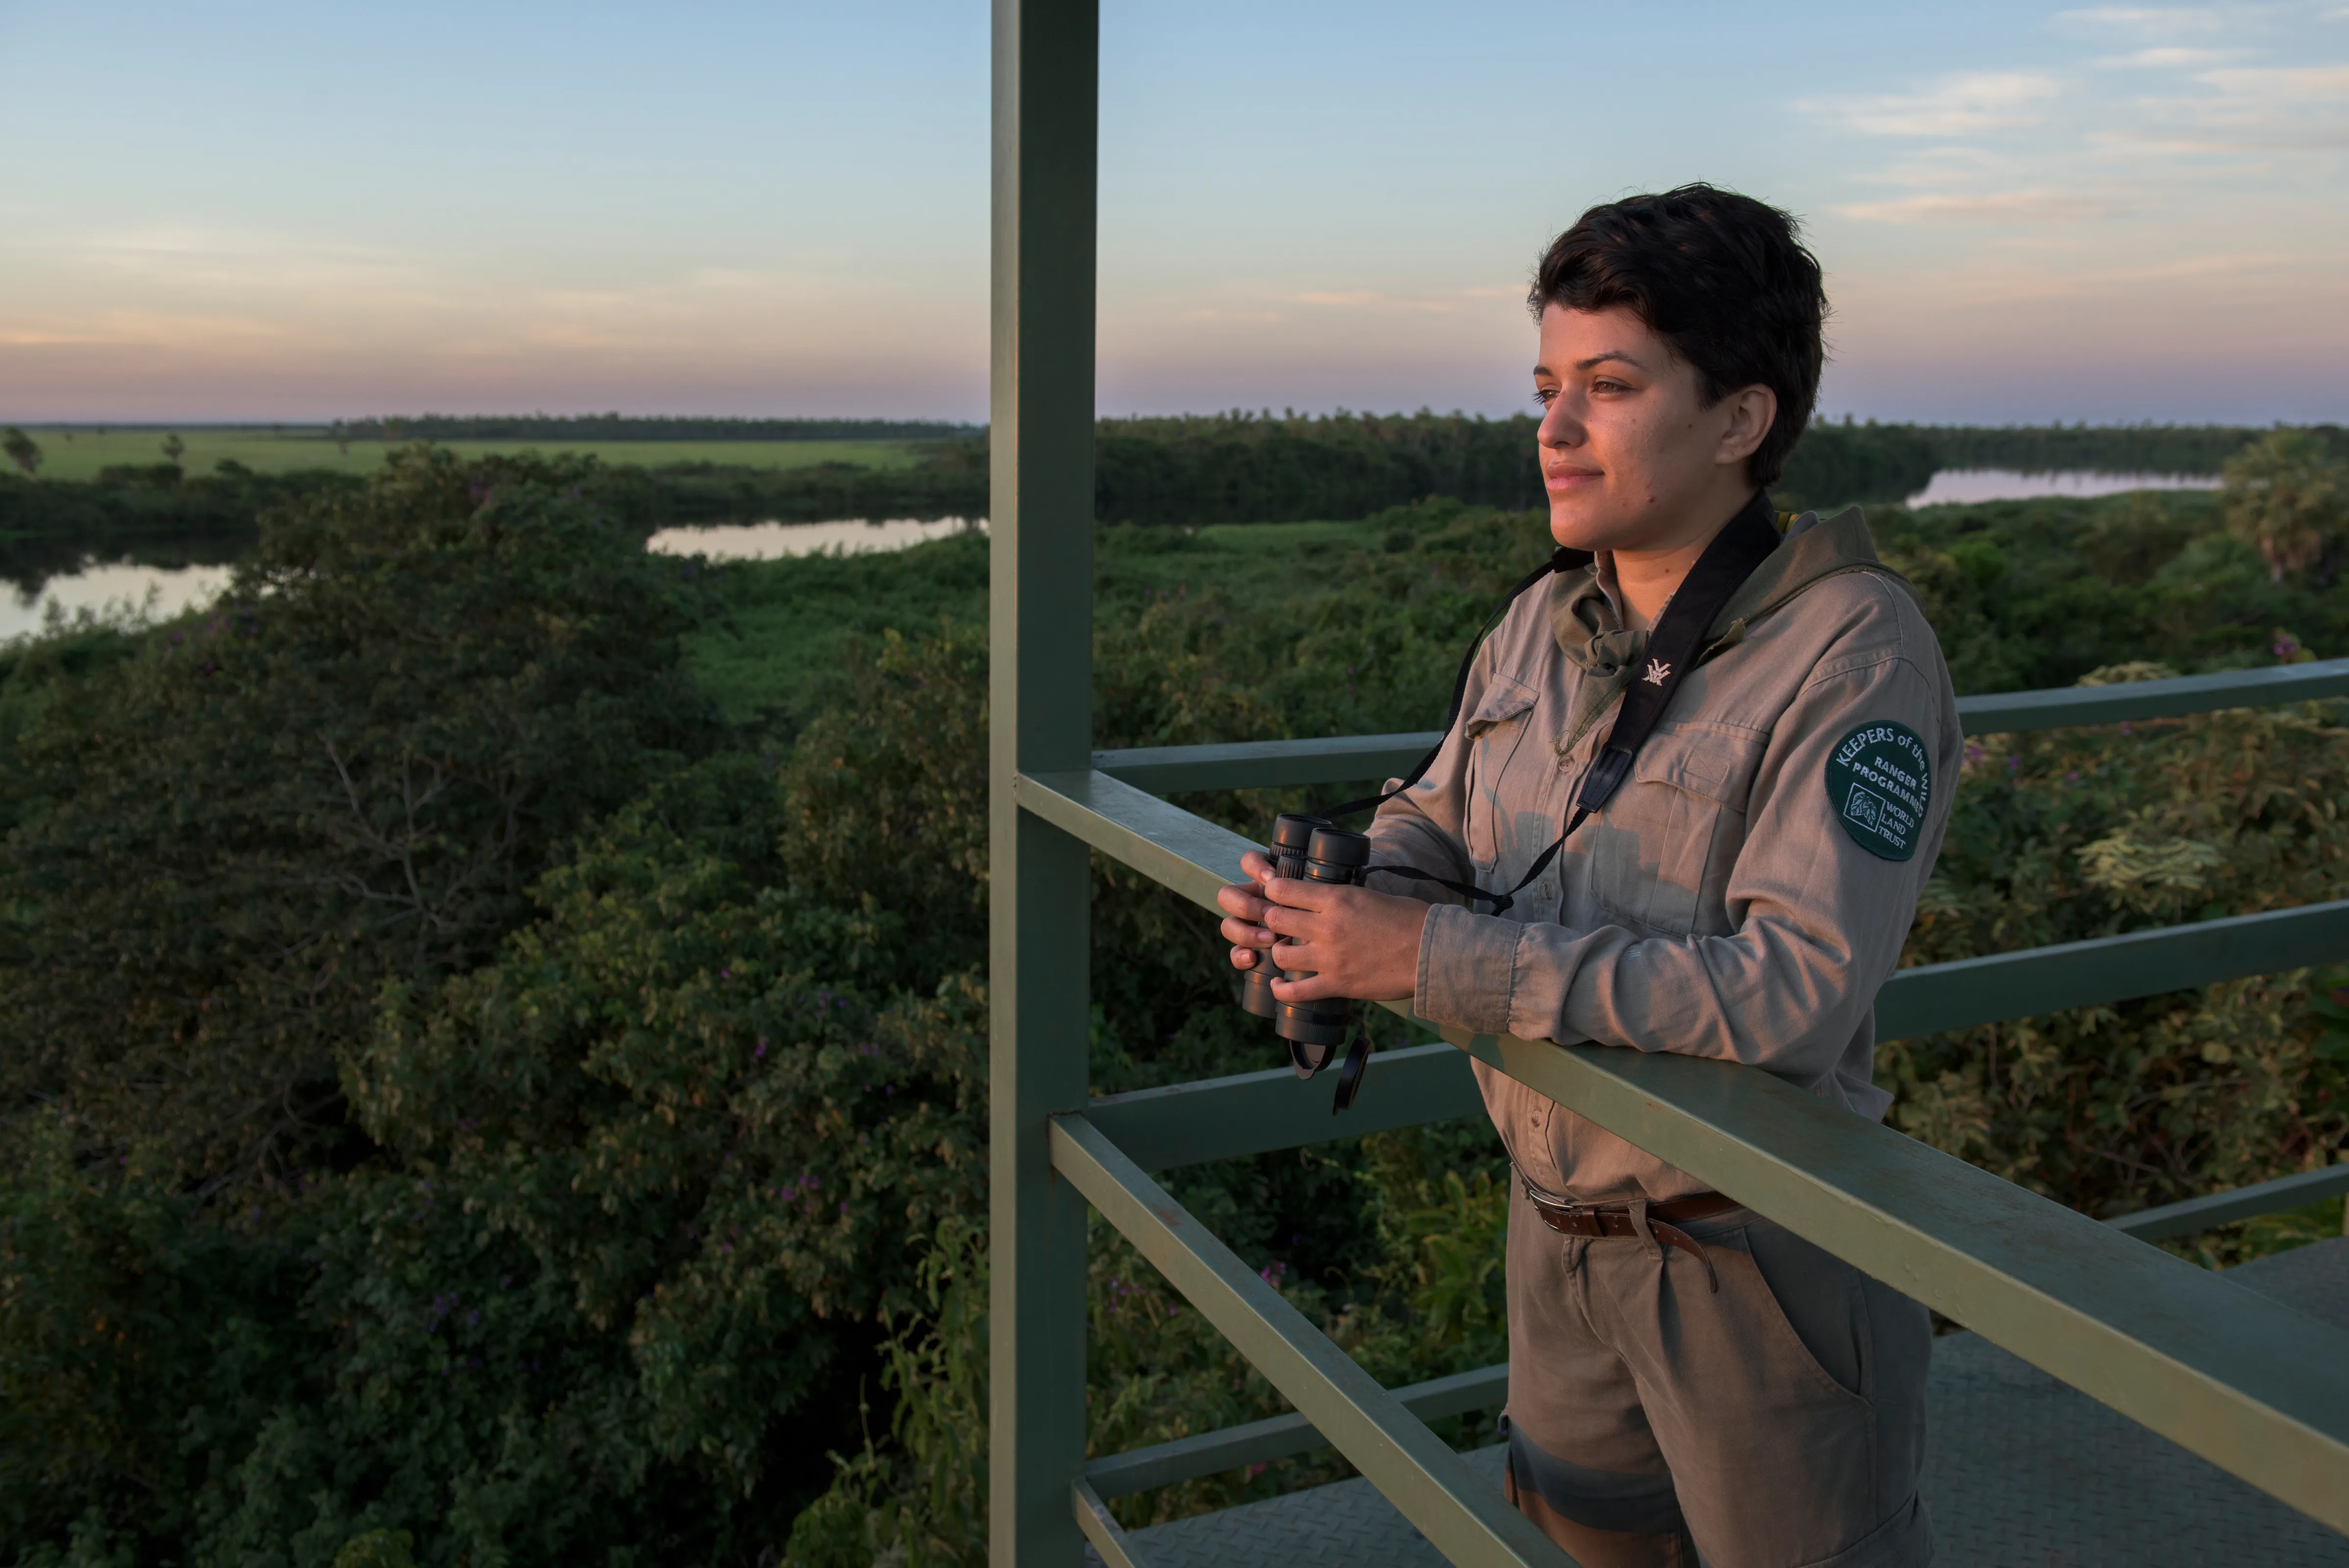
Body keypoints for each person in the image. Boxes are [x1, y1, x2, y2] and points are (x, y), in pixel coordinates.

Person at [1216, 185, 1958, 1568]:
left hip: (1753, 1268)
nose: (1553, 430)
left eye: (1609, 387)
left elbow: (1791, 990)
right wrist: (1334, 906)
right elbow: (1436, 829)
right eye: (1547, 384)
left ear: (1740, 419)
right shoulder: (1542, 624)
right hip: (1554, 1241)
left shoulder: (1855, 651)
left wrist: (1421, 961)